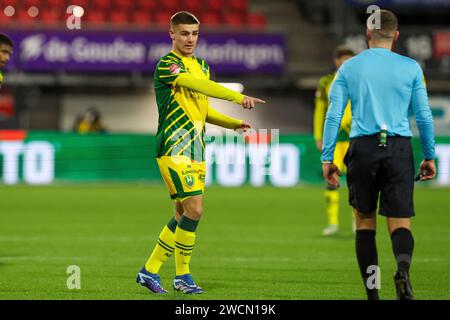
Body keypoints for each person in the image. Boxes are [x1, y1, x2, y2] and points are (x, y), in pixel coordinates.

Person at [136, 11, 265, 294]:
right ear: (171, 34)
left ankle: (149, 271)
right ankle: (183, 276)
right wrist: (237, 97)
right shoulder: (167, 65)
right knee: (195, 209)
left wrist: (232, 123)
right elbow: (198, 86)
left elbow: (203, 108)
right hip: (174, 144)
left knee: (184, 211)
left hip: (196, 146)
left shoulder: (202, 65)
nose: (190, 39)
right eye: (184, 33)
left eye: (194, 33)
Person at [321, 10, 436, 300]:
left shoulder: (348, 69)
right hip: (398, 147)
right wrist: (429, 155)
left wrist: (328, 158)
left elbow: (333, 115)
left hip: (363, 148)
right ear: (396, 35)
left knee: (365, 224)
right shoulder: (411, 68)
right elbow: (423, 116)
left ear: (367, 33)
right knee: (399, 222)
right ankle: (403, 270)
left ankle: (373, 294)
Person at [314, 45, 355, 236]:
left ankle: (357, 222)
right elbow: (320, 111)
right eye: (342, 60)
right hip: (335, 139)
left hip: (355, 137)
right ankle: (332, 223)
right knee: (331, 180)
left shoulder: (359, 80)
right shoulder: (326, 83)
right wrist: (318, 135)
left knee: (357, 182)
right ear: (336, 61)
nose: (345, 63)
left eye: (349, 60)